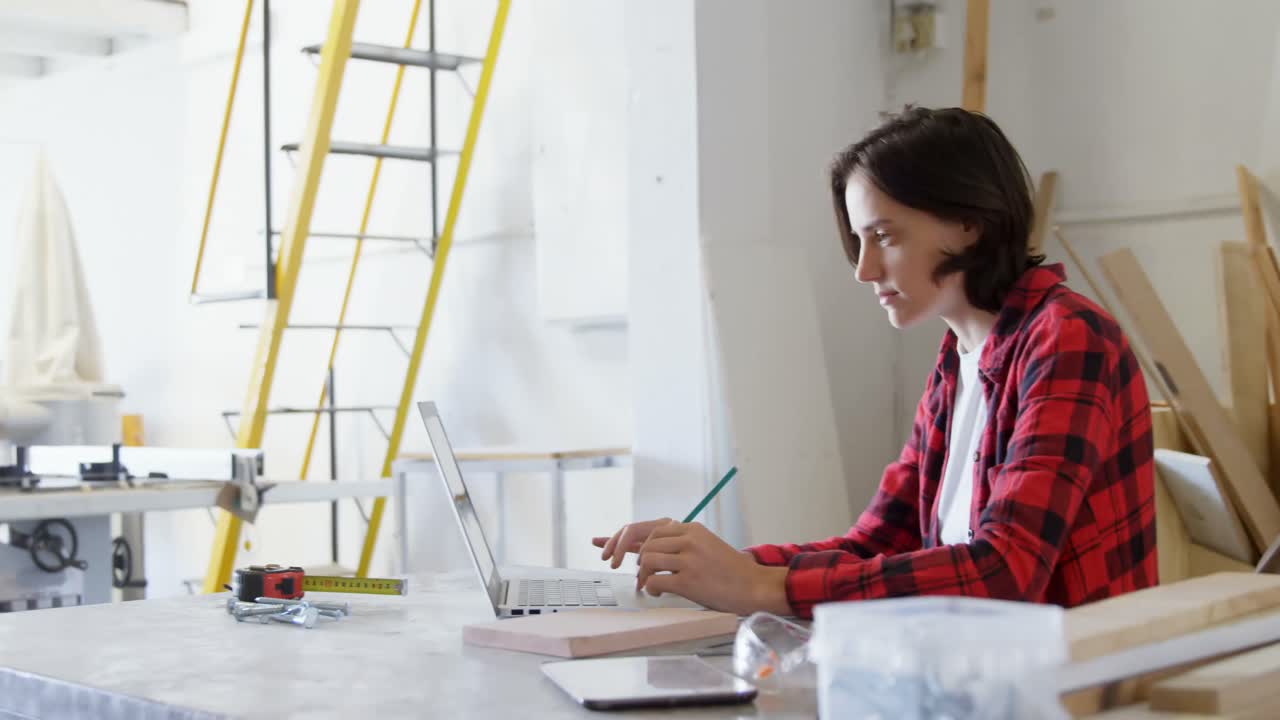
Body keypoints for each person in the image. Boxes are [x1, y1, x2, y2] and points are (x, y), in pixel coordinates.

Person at [592, 106, 1157, 619]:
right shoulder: (958, 360)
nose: (864, 270)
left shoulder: (1069, 338)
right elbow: (876, 544)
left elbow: (1005, 572)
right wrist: (716, 565)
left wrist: (762, 586)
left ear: (969, 222)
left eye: (883, 237)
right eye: (860, 241)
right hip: (977, 664)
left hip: (1075, 678)